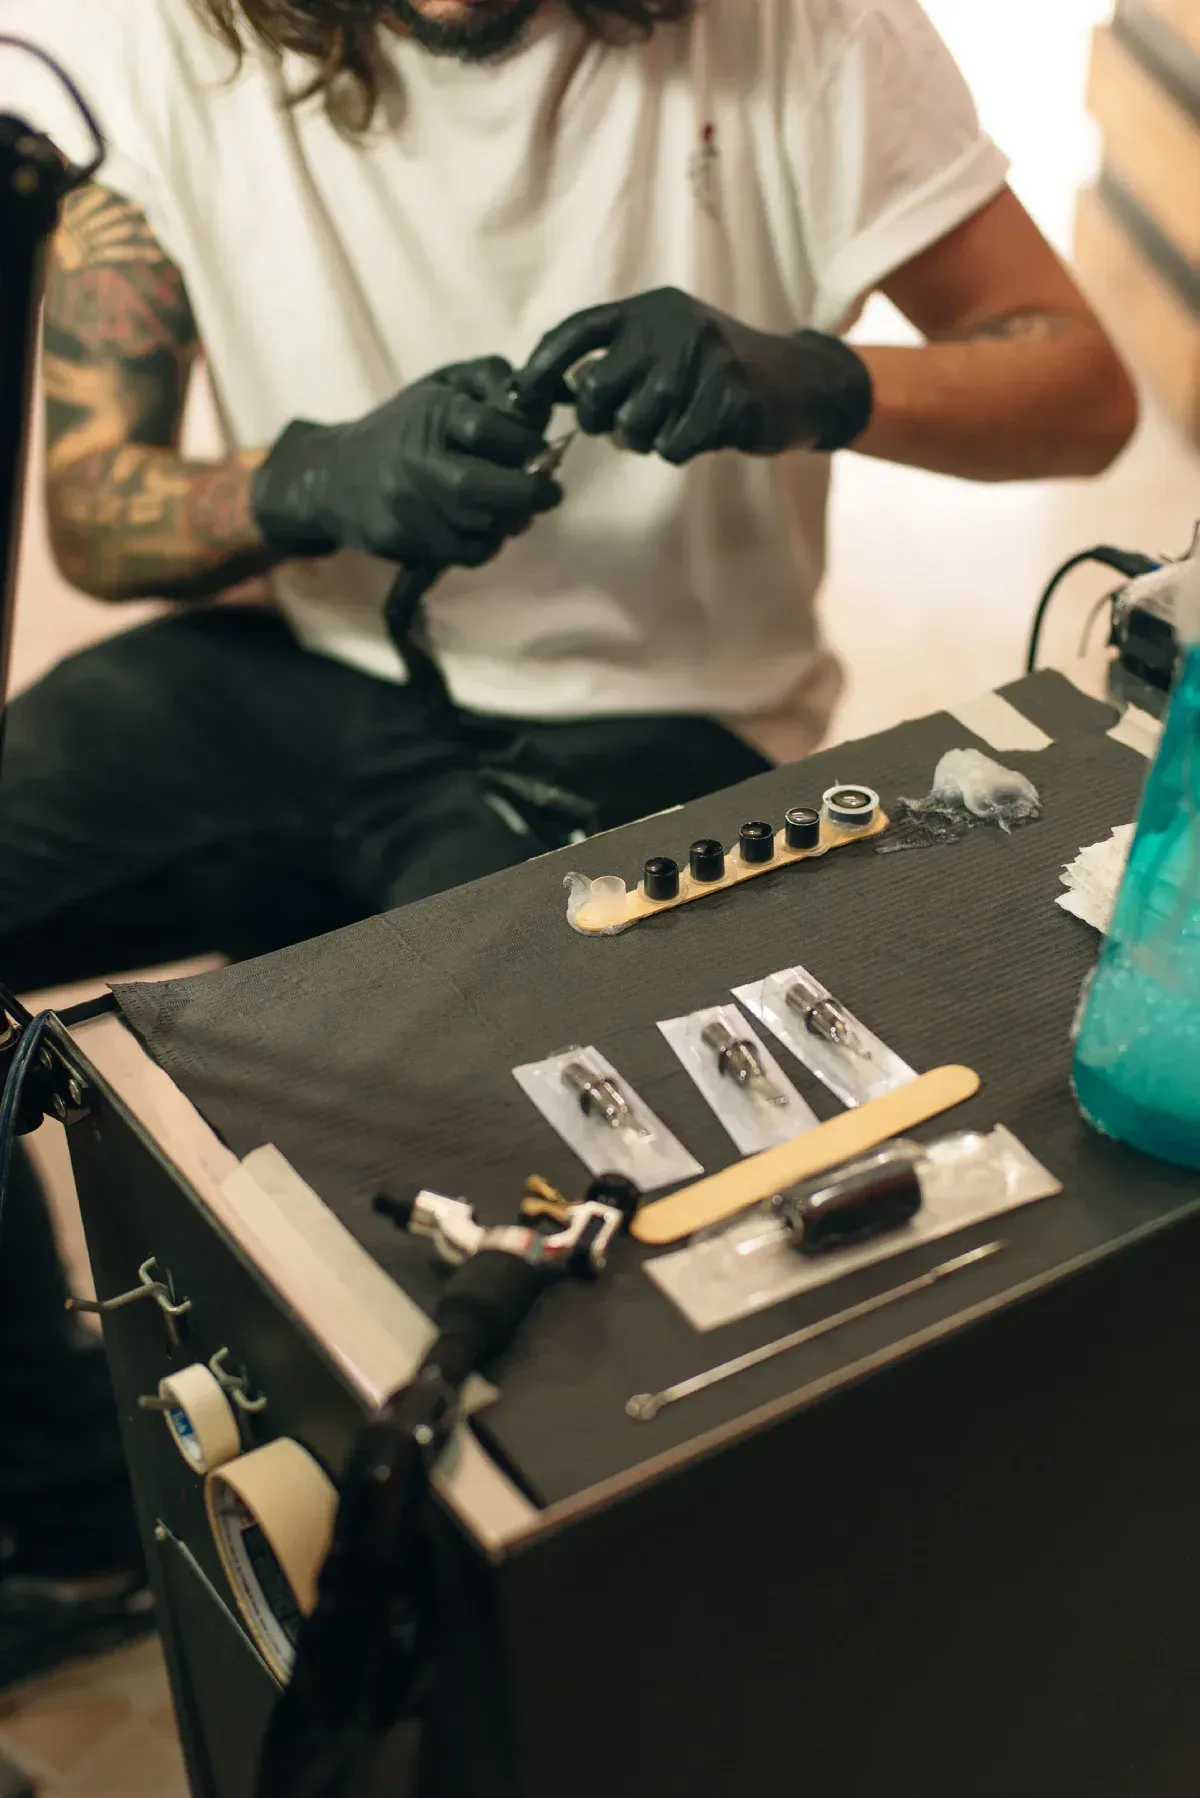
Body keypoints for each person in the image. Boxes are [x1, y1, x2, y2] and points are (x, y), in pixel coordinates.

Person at [0, 0, 1136, 1684]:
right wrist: (311, 482)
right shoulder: (161, 39)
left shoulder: (808, 34)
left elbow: (1082, 391)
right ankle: (75, 1515)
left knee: (518, 1201)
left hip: (654, 713)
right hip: (292, 667)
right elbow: (93, 511)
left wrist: (814, 378)